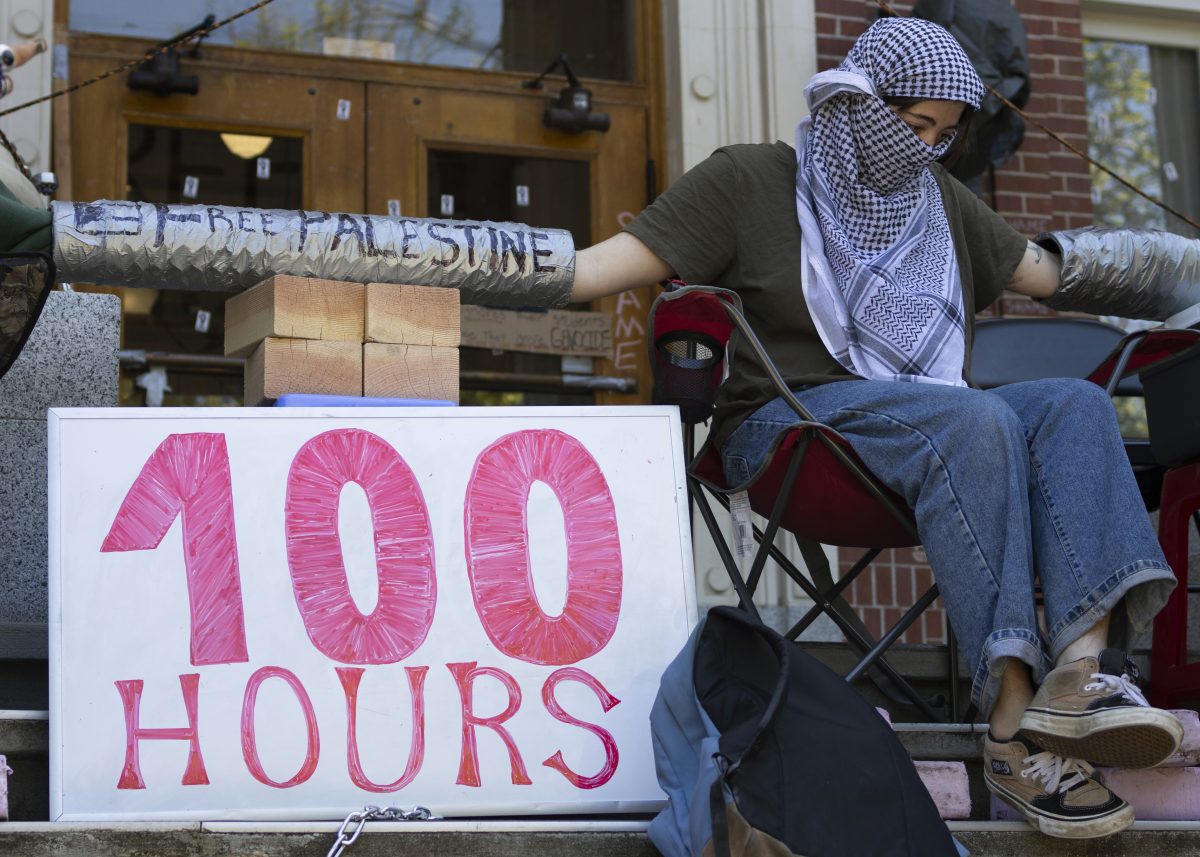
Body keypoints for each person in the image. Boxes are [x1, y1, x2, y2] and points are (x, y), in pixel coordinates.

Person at [572, 17, 1181, 841]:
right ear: (858, 99)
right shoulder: (749, 181)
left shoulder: (938, 205)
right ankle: (1010, 729)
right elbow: (597, 270)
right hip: (789, 430)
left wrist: (1185, 271)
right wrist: (449, 265)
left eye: (941, 133)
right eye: (909, 123)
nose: (921, 149)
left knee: (1073, 402)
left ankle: (1077, 679)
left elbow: (1049, 271)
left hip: (938, 437)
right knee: (979, 415)